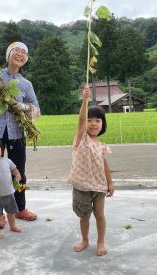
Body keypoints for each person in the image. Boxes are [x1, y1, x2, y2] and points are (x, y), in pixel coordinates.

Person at [0, 41, 40, 225]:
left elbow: (36, 109)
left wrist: (21, 106)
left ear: (26, 59)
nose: (20, 54)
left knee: (18, 171)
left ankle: (20, 209)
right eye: (16, 51)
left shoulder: (26, 84)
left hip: (16, 133)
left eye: (24, 52)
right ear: (8, 55)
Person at [68, 85, 114, 256]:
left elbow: (104, 165)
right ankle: (85, 239)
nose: (93, 123)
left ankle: (100, 241)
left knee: (100, 215)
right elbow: (80, 122)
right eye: (90, 119)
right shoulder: (81, 139)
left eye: (98, 120)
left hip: (99, 186)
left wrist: (110, 182)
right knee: (84, 216)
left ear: (103, 124)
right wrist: (85, 100)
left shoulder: (102, 146)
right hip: (81, 186)